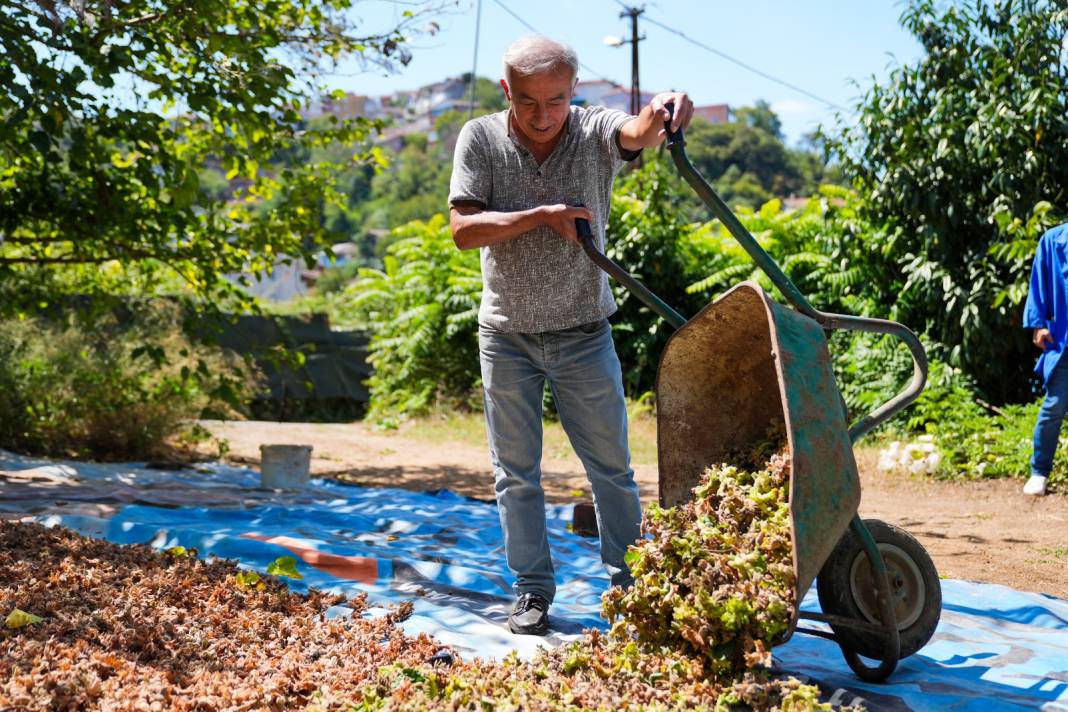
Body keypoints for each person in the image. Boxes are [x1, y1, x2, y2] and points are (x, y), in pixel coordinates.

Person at [447, 35, 693, 635]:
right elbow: (462, 229)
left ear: (572, 91)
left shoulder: (589, 130)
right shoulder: (480, 138)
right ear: (507, 91)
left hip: (584, 331)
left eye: (555, 100)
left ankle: (631, 587)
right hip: (506, 335)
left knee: (611, 468)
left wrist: (662, 110)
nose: (543, 114)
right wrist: (542, 215)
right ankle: (532, 591)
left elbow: (632, 133)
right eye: (528, 101)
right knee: (515, 473)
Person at [1022, 222, 1068, 496]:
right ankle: (1039, 472)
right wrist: (1038, 324)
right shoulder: (1053, 240)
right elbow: (1039, 282)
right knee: (1055, 405)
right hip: (1063, 339)